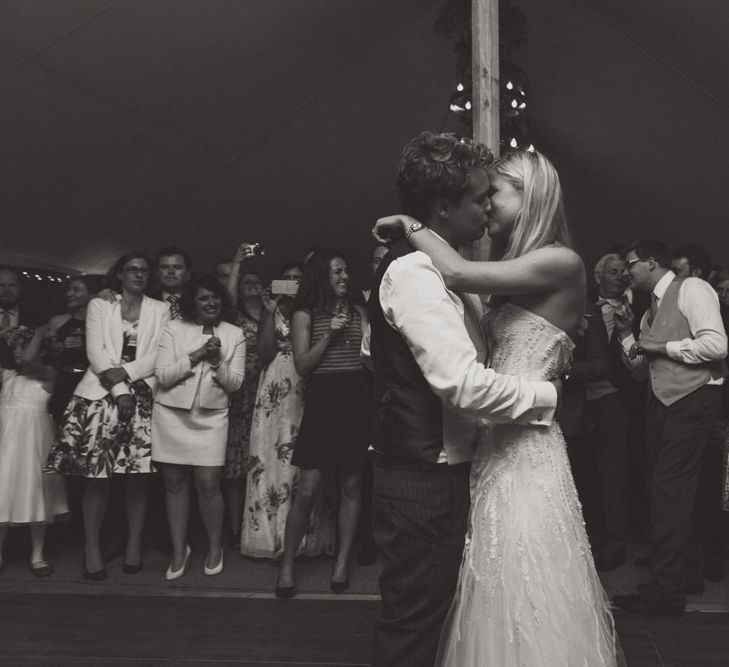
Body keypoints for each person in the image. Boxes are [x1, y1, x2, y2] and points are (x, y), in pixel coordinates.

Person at [372, 137, 619, 666]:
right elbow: (459, 371)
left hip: (522, 449)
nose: (487, 205)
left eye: (495, 193)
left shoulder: (556, 260)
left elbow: (461, 283)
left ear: (529, 197)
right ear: (445, 204)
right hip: (482, 451)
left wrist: (411, 225)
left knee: (527, 590)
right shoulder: (432, 272)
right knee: (479, 596)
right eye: (482, 196)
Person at [613, 238, 727, 615]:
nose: (626, 272)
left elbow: (716, 345)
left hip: (694, 400)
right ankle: (679, 579)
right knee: (669, 494)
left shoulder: (692, 288)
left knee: (670, 494)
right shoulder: (648, 314)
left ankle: (664, 596)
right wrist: (629, 334)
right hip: (661, 404)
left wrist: (665, 348)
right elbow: (640, 371)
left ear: (649, 263)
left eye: (629, 264)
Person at [45, 252, 169, 580]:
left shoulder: (162, 308)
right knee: (97, 479)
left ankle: (133, 545)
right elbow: (96, 352)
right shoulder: (101, 304)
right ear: (120, 274)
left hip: (142, 396)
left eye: (144, 269)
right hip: (101, 396)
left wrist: (125, 374)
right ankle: (92, 548)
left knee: (137, 478)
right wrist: (120, 391)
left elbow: (159, 354)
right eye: (132, 269)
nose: (139, 274)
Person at [275, 249, 370, 597]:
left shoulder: (360, 310)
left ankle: (342, 563)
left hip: (357, 398)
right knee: (309, 491)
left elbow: (370, 358)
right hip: (323, 401)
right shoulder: (305, 312)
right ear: (321, 276)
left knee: (351, 486)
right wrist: (329, 333)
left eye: (346, 271)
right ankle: (287, 565)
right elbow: (302, 365)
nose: (344, 276)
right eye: (336, 272)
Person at [152, 275, 245, 580]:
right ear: (192, 301)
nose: (211, 303)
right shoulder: (173, 329)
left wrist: (217, 361)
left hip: (211, 418)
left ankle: (215, 547)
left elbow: (235, 383)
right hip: (171, 415)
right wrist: (197, 355)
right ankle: (180, 550)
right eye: (204, 298)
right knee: (174, 484)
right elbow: (163, 376)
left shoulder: (234, 334)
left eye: (215, 297)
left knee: (208, 484)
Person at [240, 261, 332, 560]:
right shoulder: (275, 311)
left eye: (297, 279)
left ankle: (302, 540)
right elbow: (265, 353)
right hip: (274, 390)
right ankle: (268, 539)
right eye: (287, 278)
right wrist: (268, 310)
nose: (292, 283)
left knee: (301, 462)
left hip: (305, 387)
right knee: (269, 460)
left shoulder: (316, 311)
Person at [0, 326, 68, 576]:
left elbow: (29, 360)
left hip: (34, 444)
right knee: (3, 490)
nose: (19, 351)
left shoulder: (48, 375)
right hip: (6, 444)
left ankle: (37, 554)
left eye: (24, 345)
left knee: (36, 491)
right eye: (14, 346)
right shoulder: (7, 375)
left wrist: (39, 334)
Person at [222, 244, 266, 546]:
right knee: (235, 465)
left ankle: (260, 522)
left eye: (257, 281)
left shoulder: (274, 313)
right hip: (240, 395)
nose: (251, 285)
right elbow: (227, 294)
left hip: (266, 392)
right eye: (245, 282)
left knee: (261, 462)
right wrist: (238, 261)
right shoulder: (233, 316)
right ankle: (234, 527)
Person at [46, 275, 105, 424]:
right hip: (65, 382)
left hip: (92, 382)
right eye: (69, 289)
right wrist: (59, 348)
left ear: (92, 294)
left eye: (76, 290)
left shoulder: (104, 322)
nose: (69, 294)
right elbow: (48, 359)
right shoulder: (58, 322)